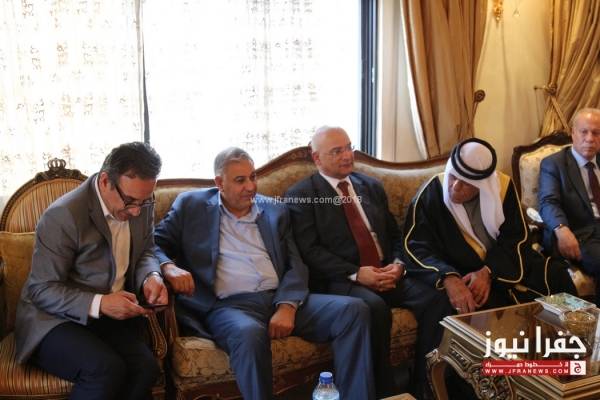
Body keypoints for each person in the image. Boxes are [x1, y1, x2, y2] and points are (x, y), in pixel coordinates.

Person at [154, 147, 374, 400]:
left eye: (253, 177)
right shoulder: (191, 206)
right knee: (249, 334)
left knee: (353, 310)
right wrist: (168, 267)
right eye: (240, 180)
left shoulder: (275, 210)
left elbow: (296, 262)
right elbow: (153, 245)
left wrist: (288, 305)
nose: (250, 186)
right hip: (230, 307)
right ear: (219, 183)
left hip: (278, 297)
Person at [284, 126, 450, 399]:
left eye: (348, 147)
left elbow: (395, 235)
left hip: (387, 272)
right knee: (373, 307)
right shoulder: (302, 195)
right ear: (317, 158)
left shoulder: (370, 186)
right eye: (336, 151)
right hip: (340, 280)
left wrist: (398, 264)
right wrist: (356, 273)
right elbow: (309, 251)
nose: (346, 155)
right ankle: (383, 392)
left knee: (436, 297)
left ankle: (425, 383)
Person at [15, 142, 168, 400]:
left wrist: (151, 277)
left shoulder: (141, 203)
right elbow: (41, 289)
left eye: (144, 201)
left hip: (107, 318)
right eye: (130, 201)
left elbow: (146, 251)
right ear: (106, 181)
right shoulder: (63, 215)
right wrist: (100, 303)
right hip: (52, 319)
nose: (136, 211)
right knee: (105, 370)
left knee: (145, 368)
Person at [404, 137, 575, 314]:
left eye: (466, 183)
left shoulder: (502, 189)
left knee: (558, 275)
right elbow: (416, 247)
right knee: (485, 305)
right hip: (462, 272)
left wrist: (488, 271)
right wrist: (448, 277)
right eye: (453, 176)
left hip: (505, 265)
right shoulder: (431, 193)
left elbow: (517, 238)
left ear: (482, 185)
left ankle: (573, 330)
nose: (455, 187)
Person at [539, 108, 600, 303]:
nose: (590, 139)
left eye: (596, 133)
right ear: (573, 133)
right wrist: (561, 229)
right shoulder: (554, 164)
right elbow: (548, 202)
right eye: (584, 132)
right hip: (579, 234)